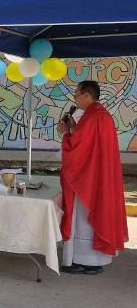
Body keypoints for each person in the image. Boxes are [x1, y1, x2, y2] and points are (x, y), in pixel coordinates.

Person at [57, 80, 128, 275]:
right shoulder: (100, 115)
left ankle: (86, 262)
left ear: (87, 95)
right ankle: (93, 261)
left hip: (87, 179)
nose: (75, 98)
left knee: (84, 219)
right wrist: (74, 128)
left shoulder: (93, 116)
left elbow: (78, 148)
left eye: (77, 94)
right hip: (98, 175)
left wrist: (66, 134)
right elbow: (87, 143)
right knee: (91, 217)